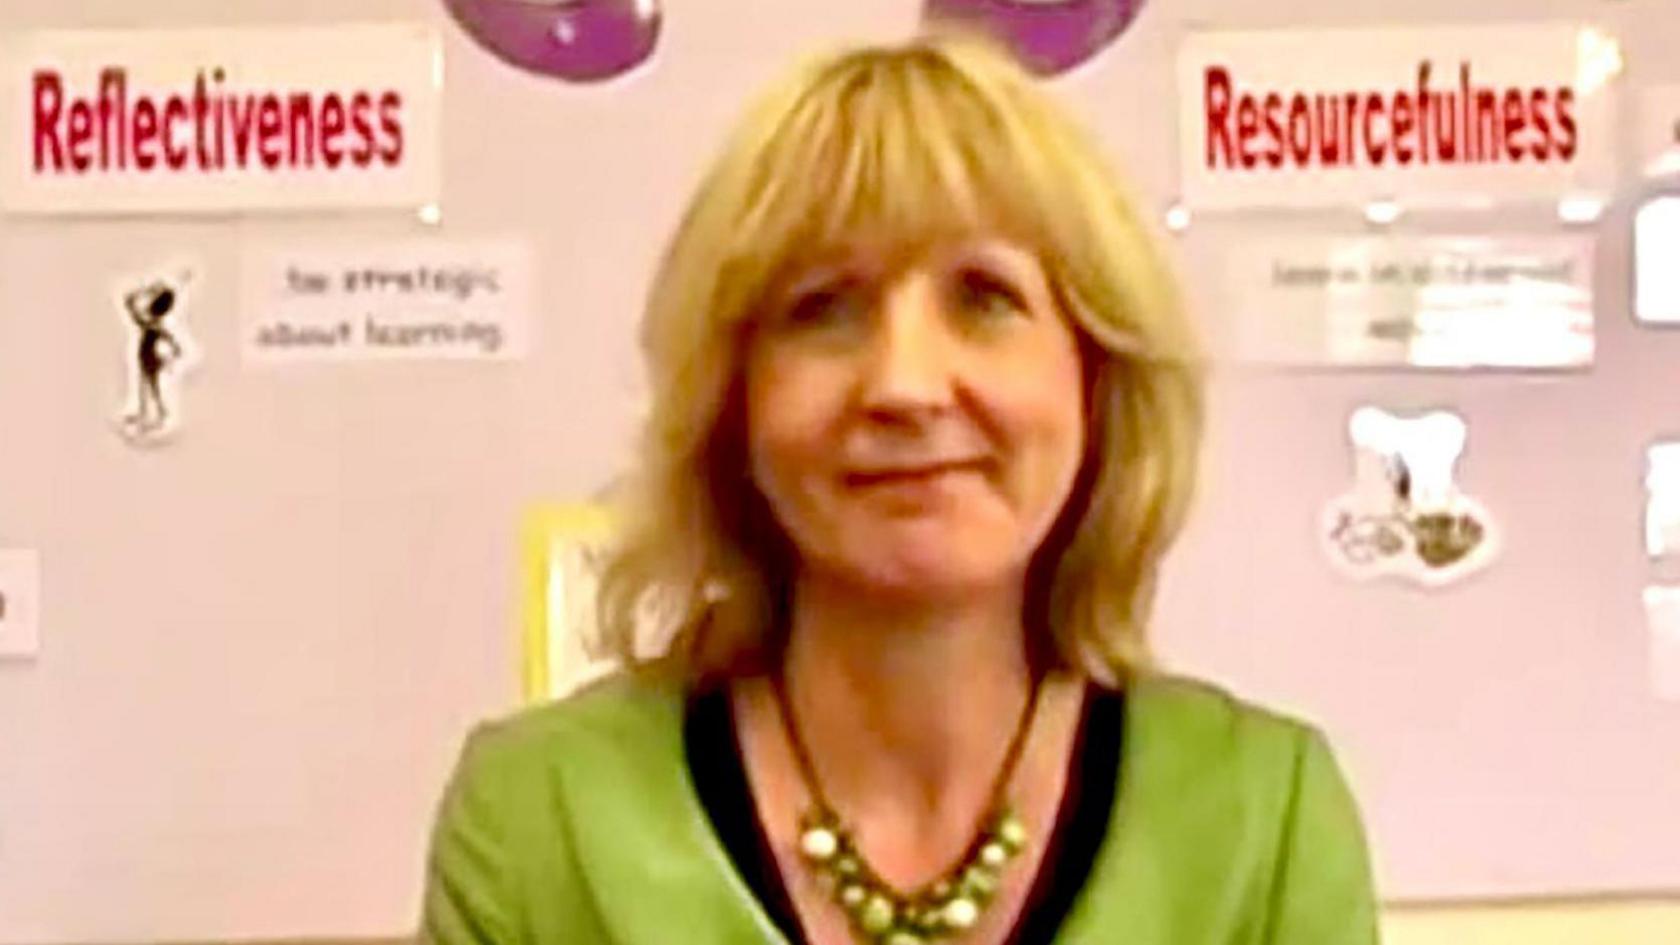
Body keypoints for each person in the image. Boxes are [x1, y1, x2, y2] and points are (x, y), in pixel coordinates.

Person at [421, 33, 1379, 945]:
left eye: (983, 296)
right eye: (822, 309)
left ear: (1095, 378)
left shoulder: (1266, 819)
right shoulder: (536, 822)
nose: (905, 385)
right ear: (733, 402)